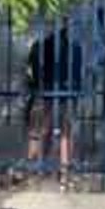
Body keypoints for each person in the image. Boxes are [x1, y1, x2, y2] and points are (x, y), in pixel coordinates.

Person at [25, 19, 84, 190]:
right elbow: (78, 75)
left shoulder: (39, 47)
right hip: (67, 93)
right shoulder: (75, 49)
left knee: (39, 131)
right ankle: (64, 172)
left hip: (44, 93)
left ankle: (35, 169)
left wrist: (36, 86)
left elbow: (32, 71)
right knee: (65, 133)